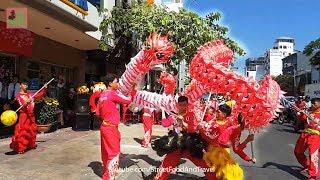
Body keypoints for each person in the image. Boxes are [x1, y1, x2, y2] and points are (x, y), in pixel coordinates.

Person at [154, 96, 216, 180]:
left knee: (202, 163)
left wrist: (183, 122)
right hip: (176, 144)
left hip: (189, 144)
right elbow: (165, 124)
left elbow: (193, 129)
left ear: (187, 105)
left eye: (185, 105)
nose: (183, 107)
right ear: (177, 105)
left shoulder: (191, 114)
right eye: (181, 105)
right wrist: (163, 111)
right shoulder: (173, 115)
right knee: (167, 164)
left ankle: (214, 178)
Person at [96, 74, 133, 180]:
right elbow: (127, 100)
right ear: (110, 83)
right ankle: (109, 177)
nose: (118, 83)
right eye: (116, 81)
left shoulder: (103, 95)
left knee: (106, 153)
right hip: (111, 127)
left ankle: (106, 175)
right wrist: (132, 91)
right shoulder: (112, 94)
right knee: (114, 153)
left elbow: (98, 112)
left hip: (104, 126)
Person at [198, 104, 244, 180]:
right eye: (216, 111)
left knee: (225, 171)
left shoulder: (230, 123)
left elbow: (237, 130)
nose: (216, 113)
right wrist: (200, 129)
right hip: (212, 150)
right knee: (215, 170)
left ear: (224, 114)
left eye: (218, 112)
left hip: (223, 150)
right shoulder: (211, 121)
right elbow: (206, 135)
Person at [10, 79, 47, 154]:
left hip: (31, 115)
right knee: (22, 131)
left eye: (26, 84)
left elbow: (39, 95)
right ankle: (21, 147)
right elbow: (22, 106)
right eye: (24, 84)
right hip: (24, 115)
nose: (25, 86)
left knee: (31, 130)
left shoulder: (30, 94)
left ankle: (31, 145)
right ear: (20, 85)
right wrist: (26, 102)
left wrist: (44, 88)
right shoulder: (18, 95)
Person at [294, 98, 320, 180]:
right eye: (311, 103)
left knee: (313, 155)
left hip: (315, 136)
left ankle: (313, 175)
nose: (312, 105)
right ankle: (307, 165)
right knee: (297, 152)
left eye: (314, 103)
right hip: (305, 134)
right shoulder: (308, 111)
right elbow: (302, 119)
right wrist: (300, 113)